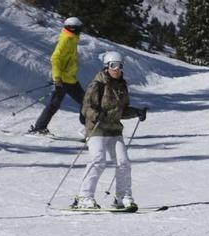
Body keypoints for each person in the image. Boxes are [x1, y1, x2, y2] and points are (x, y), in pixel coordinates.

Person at [73, 51, 147, 210]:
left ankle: (123, 197)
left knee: (124, 162)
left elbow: (122, 110)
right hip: (97, 129)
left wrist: (136, 112)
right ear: (106, 67)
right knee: (98, 160)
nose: (117, 69)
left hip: (114, 130)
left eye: (120, 66)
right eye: (113, 66)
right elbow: (86, 108)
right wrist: (96, 114)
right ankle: (85, 197)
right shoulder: (97, 85)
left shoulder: (122, 85)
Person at [29, 17, 86, 135]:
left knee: (86, 102)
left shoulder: (73, 39)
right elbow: (55, 58)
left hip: (71, 79)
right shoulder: (66, 40)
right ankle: (39, 127)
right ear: (73, 28)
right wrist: (57, 78)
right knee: (54, 104)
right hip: (63, 80)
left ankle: (89, 127)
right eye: (79, 28)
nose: (81, 30)